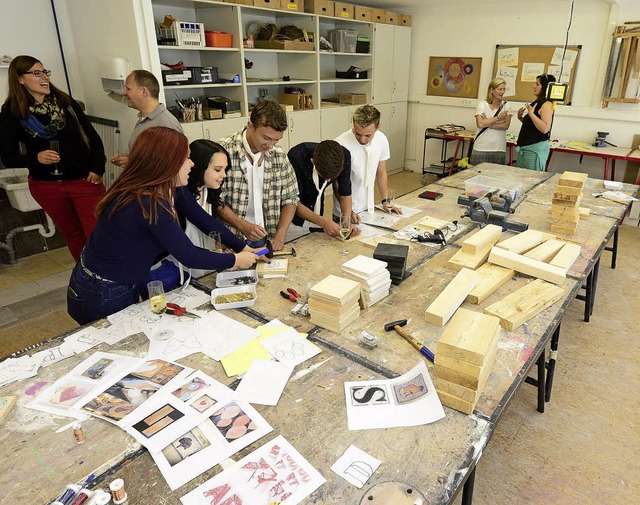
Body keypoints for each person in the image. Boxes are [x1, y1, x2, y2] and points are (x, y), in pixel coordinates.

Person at [67, 127, 260, 325]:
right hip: (102, 289)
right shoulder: (149, 201)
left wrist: (242, 247)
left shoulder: (168, 186)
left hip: (116, 280)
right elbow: (189, 255)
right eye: (186, 158)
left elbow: (203, 218)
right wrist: (234, 260)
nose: (192, 164)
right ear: (167, 163)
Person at [0, 55, 106, 261]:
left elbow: (92, 137)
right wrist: (35, 157)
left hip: (84, 181)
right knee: (73, 235)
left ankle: (108, 279)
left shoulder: (65, 103)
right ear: (20, 79)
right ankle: (86, 279)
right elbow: (8, 157)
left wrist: (97, 168)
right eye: (36, 73)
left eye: (45, 72)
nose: (44, 77)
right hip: (47, 186)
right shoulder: (11, 113)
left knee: (99, 234)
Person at [219, 99, 299, 251]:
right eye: (266, 138)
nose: (270, 146)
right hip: (232, 239)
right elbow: (216, 201)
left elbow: (291, 198)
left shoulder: (278, 155)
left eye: (276, 140)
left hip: (267, 237)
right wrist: (243, 226)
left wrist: (279, 237)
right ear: (250, 125)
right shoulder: (224, 151)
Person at [334, 105, 402, 224]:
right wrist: (348, 212)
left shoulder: (381, 139)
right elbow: (336, 184)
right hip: (345, 211)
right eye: (358, 133)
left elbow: (381, 172)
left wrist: (385, 201)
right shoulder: (340, 144)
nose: (362, 140)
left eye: (367, 136)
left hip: (367, 208)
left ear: (377, 127)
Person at [181, 139, 234, 278]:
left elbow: (211, 228)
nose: (224, 175)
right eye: (217, 169)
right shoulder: (183, 197)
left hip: (207, 269)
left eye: (225, 169)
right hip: (184, 272)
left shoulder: (208, 190)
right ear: (199, 166)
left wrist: (220, 245)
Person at [287, 140, 359, 239]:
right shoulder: (296, 158)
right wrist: (323, 222)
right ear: (313, 162)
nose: (328, 180)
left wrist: (346, 222)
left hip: (318, 217)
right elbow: (293, 202)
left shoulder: (344, 156)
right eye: (324, 177)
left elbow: (345, 193)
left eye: (332, 178)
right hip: (292, 220)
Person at [110, 69, 183, 167]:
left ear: (144, 91)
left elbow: (172, 165)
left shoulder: (167, 124)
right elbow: (152, 156)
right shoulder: (143, 119)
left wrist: (134, 162)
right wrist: (129, 158)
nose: (124, 92)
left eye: (128, 89)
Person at [515, 73, 556, 171]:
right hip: (525, 148)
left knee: (531, 180)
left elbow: (545, 129)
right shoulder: (536, 102)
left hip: (534, 149)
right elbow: (533, 126)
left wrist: (531, 114)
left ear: (545, 87)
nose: (534, 86)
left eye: (537, 84)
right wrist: (521, 118)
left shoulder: (547, 104)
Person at [469, 78, 511, 166]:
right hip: (481, 148)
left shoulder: (506, 106)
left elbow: (505, 126)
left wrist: (488, 124)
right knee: (477, 177)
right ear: (491, 90)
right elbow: (480, 124)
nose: (502, 92)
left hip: (498, 149)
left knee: (495, 178)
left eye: (504, 89)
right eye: (499, 89)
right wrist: (498, 118)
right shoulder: (482, 104)